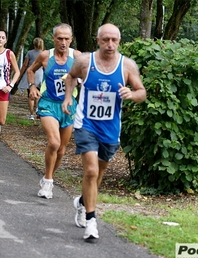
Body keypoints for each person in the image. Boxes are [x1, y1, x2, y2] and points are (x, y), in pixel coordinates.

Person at [62, 23, 147, 241]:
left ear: (119, 41)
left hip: (111, 128)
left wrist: (131, 94)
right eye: (105, 40)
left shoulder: (127, 65)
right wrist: (68, 97)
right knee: (90, 171)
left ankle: (82, 201)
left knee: (98, 174)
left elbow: (142, 92)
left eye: (114, 40)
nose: (110, 44)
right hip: (86, 124)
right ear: (98, 40)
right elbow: (70, 77)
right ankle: (91, 220)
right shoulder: (84, 61)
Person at [28, 23, 81, 199]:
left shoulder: (77, 56)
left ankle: (47, 176)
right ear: (53, 39)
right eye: (60, 38)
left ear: (71, 39)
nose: (63, 42)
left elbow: (87, 75)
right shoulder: (45, 56)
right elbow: (30, 70)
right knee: (54, 143)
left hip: (68, 106)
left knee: (61, 150)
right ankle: (49, 182)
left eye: (67, 39)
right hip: (48, 104)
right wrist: (32, 87)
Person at [17, 37, 44, 120]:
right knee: (38, 93)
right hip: (40, 74)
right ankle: (37, 110)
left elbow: (25, 65)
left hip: (30, 74)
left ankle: (31, 114)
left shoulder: (29, 53)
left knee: (30, 95)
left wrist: (19, 75)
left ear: (34, 44)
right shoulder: (44, 54)